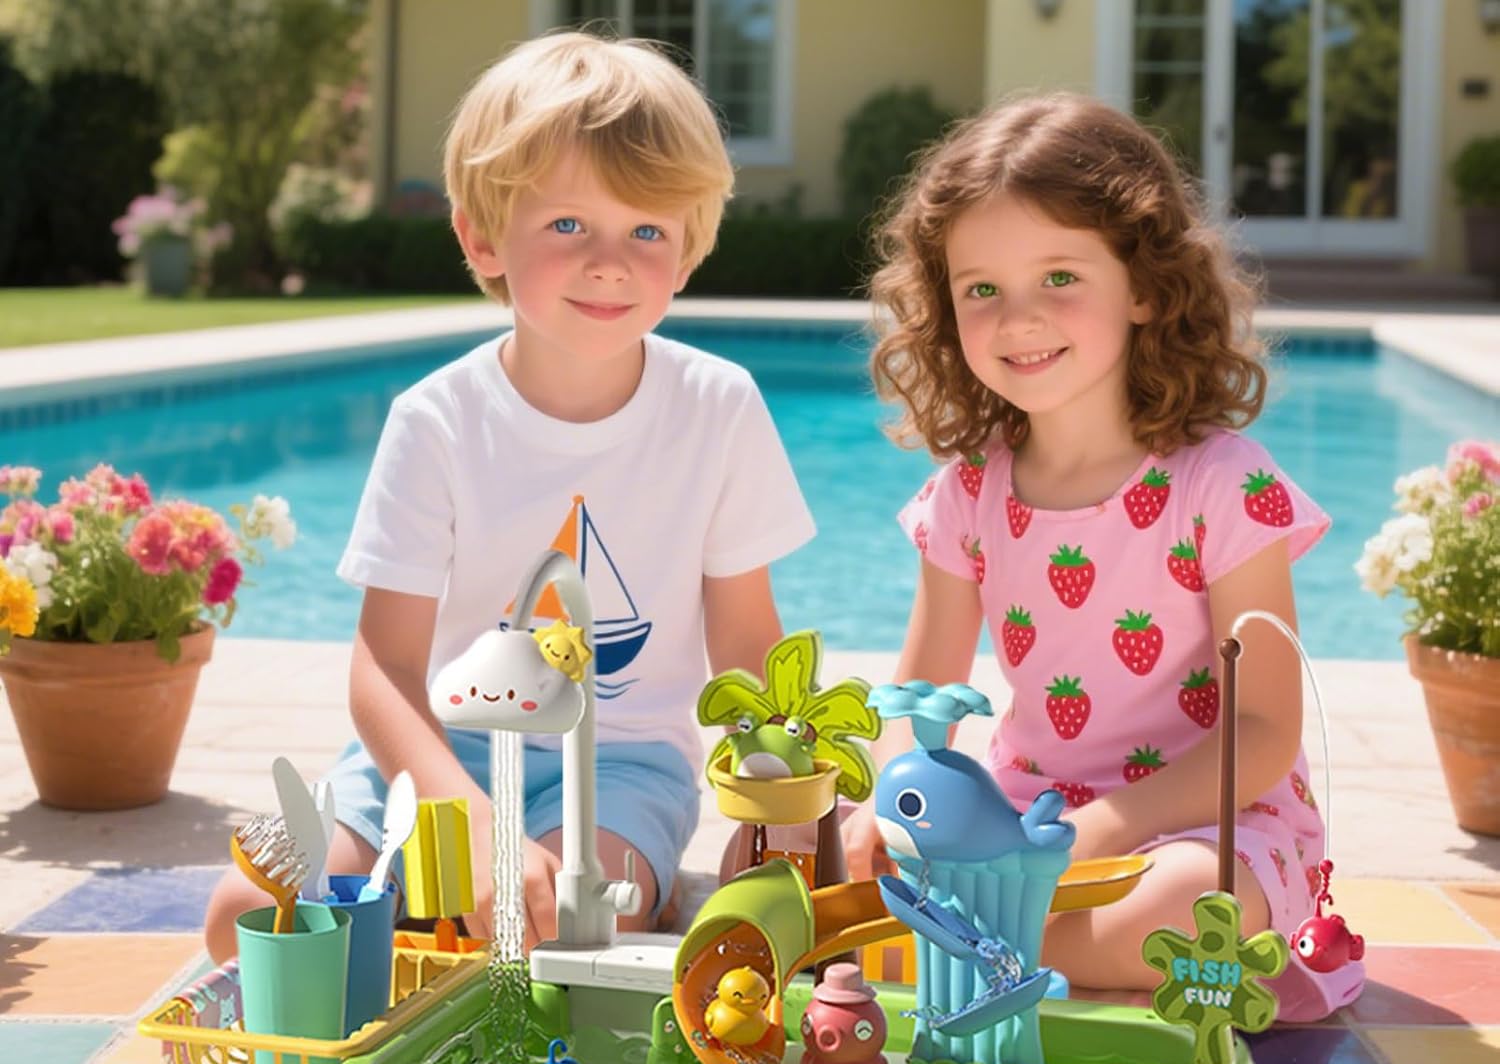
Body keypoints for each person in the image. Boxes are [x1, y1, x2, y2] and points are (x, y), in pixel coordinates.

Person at [204, 31, 814, 963]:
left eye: (647, 231)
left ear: (689, 248)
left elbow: (746, 647)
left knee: (571, 923)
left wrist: (785, 800)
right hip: (434, 758)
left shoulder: (718, 407)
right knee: (244, 920)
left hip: (619, 763)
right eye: (568, 225)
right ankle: (430, 923)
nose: (610, 262)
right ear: (481, 238)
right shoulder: (436, 420)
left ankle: (453, 931)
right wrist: (466, 818)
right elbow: (385, 668)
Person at [844, 93, 1331, 997]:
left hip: (1206, 825)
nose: (1018, 319)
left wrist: (1105, 830)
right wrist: (894, 803)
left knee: (1188, 910)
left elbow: (1264, 731)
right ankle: (994, 932)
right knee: (823, 846)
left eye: (1060, 278)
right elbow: (920, 698)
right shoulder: (968, 492)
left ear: (1144, 286)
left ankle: (972, 942)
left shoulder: (1224, 485)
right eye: (981, 290)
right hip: (1024, 817)